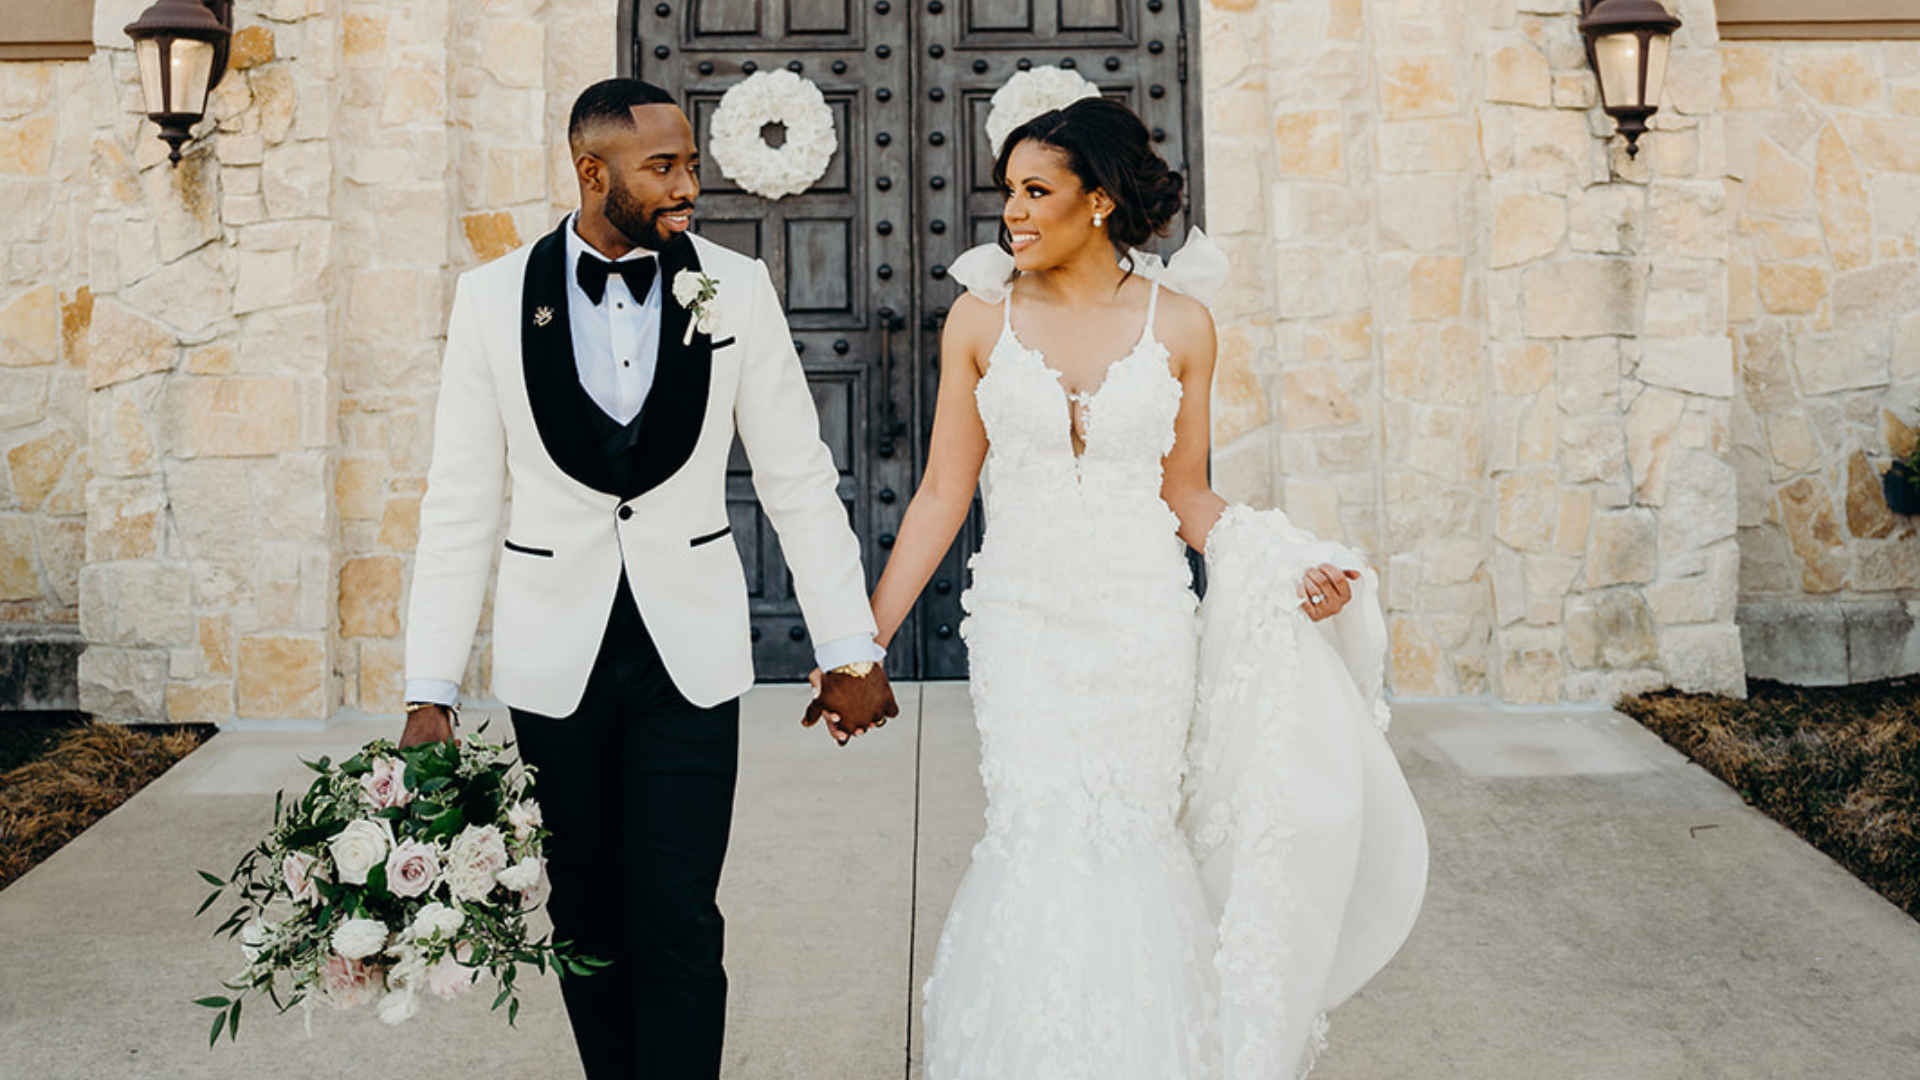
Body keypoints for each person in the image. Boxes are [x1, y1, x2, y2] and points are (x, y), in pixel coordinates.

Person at [860, 97, 1427, 1079]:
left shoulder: (1185, 326)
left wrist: (1285, 569)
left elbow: (1189, 494)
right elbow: (943, 495)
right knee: (1036, 833)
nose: (1014, 216)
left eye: (1037, 193)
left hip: (1141, 626)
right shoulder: (980, 319)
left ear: (1102, 199)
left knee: (1129, 838)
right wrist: (860, 641)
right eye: (1009, 195)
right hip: (1023, 624)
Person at [396, 79, 897, 1080]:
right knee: (583, 916)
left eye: (690, 163)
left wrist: (849, 648)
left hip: (690, 654)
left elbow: (798, 478)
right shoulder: (494, 299)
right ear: (593, 173)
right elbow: (459, 503)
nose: (689, 185)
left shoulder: (729, 287)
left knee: (676, 915)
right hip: (554, 658)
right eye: (662, 166)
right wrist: (430, 689)